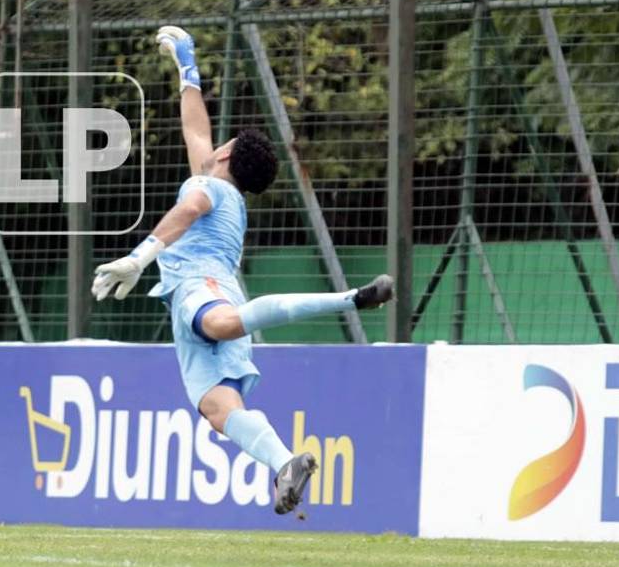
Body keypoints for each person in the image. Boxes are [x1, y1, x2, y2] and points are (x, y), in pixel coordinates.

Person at [92, 26, 393, 515]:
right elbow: (195, 132)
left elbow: (189, 209)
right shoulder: (220, 187)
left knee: (220, 323)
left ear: (227, 153)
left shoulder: (209, 191)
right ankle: (284, 463)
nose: (212, 144)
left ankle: (349, 298)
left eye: (222, 142)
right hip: (211, 294)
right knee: (219, 409)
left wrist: (138, 257)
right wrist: (187, 67)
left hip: (202, 288)